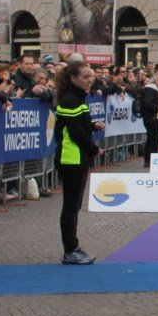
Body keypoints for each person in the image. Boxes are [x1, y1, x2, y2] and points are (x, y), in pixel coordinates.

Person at [54, 60, 104, 265]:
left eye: (91, 76)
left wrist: (92, 125)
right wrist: (94, 148)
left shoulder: (76, 98)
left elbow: (77, 126)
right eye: (86, 77)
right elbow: (75, 133)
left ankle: (73, 247)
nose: (90, 80)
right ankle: (70, 250)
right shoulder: (70, 100)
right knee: (71, 207)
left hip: (76, 157)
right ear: (73, 78)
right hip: (71, 158)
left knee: (74, 206)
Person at [140, 74, 158, 168]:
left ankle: (149, 160)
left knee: (152, 138)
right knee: (152, 139)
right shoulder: (150, 89)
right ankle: (151, 160)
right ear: (154, 81)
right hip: (149, 117)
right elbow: (147, 103)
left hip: (156, 117)